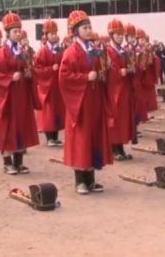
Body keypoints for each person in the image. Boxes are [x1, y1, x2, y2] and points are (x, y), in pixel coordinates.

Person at [59, 10, 113, 194]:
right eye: (84, 27)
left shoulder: (94, 50)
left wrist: (106, 70)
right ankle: (80, 180)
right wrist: (84, 77)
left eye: (89, 27)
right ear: (75, 31)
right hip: (80, 103)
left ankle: (91, 179)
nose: (88, 30)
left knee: (93, 138)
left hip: (94, 101)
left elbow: (101, 71)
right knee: (81, 140)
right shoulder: (71, 52)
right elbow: (64, 77)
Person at [0, 12, 40, 174]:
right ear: (8, 33)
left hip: (22, 95)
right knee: (8, 127)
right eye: (15, 31)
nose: (18, 34)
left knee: (21, 127)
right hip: (8, 97)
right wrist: (10, 77)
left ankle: (19, 161)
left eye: (19, 31)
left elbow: (29, 69)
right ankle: (7, 162)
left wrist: (30, 73)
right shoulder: (2, 53)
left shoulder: (23, 51)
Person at [105, 19, 135, 161]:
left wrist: (130, 68)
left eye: (121, 34)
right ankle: (113, 148)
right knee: (114, 120)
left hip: (123, 90)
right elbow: (108, 70)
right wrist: (119, 72)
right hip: (114, 90)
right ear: (111, 35)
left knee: (122, 120)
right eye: (117, 34)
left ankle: (120, 148)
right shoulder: (108, 51)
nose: (120, 37)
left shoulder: (123, 51)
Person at [34, 19, 65, 147]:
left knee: (57, 110)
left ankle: (55, 136)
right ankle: (49, 138)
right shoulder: (42, 51)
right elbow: (37, 69)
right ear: (46, 36)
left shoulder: (60, 50)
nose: (54, 35)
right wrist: (50, 69)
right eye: (51, 33)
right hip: (47, 86)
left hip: (57, 86)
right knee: (49, 112)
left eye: (55, 33)